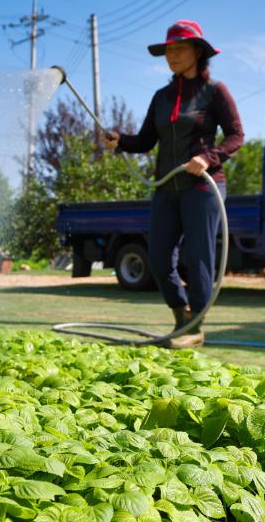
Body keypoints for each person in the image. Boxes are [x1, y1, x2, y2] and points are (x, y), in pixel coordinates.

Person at [103, 20, 243, 348]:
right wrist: (119, 140)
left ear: (198, 51)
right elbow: (145, 141)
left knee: (198, 256)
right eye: (168, 50)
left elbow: (237, 136)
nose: (172, 55)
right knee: (160, 257)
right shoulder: (162, 97)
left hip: (202, 187)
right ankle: (182, 317)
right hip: (167, 187)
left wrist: (208, 158)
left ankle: (196, 328)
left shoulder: (215, 92)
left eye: (179, 48)